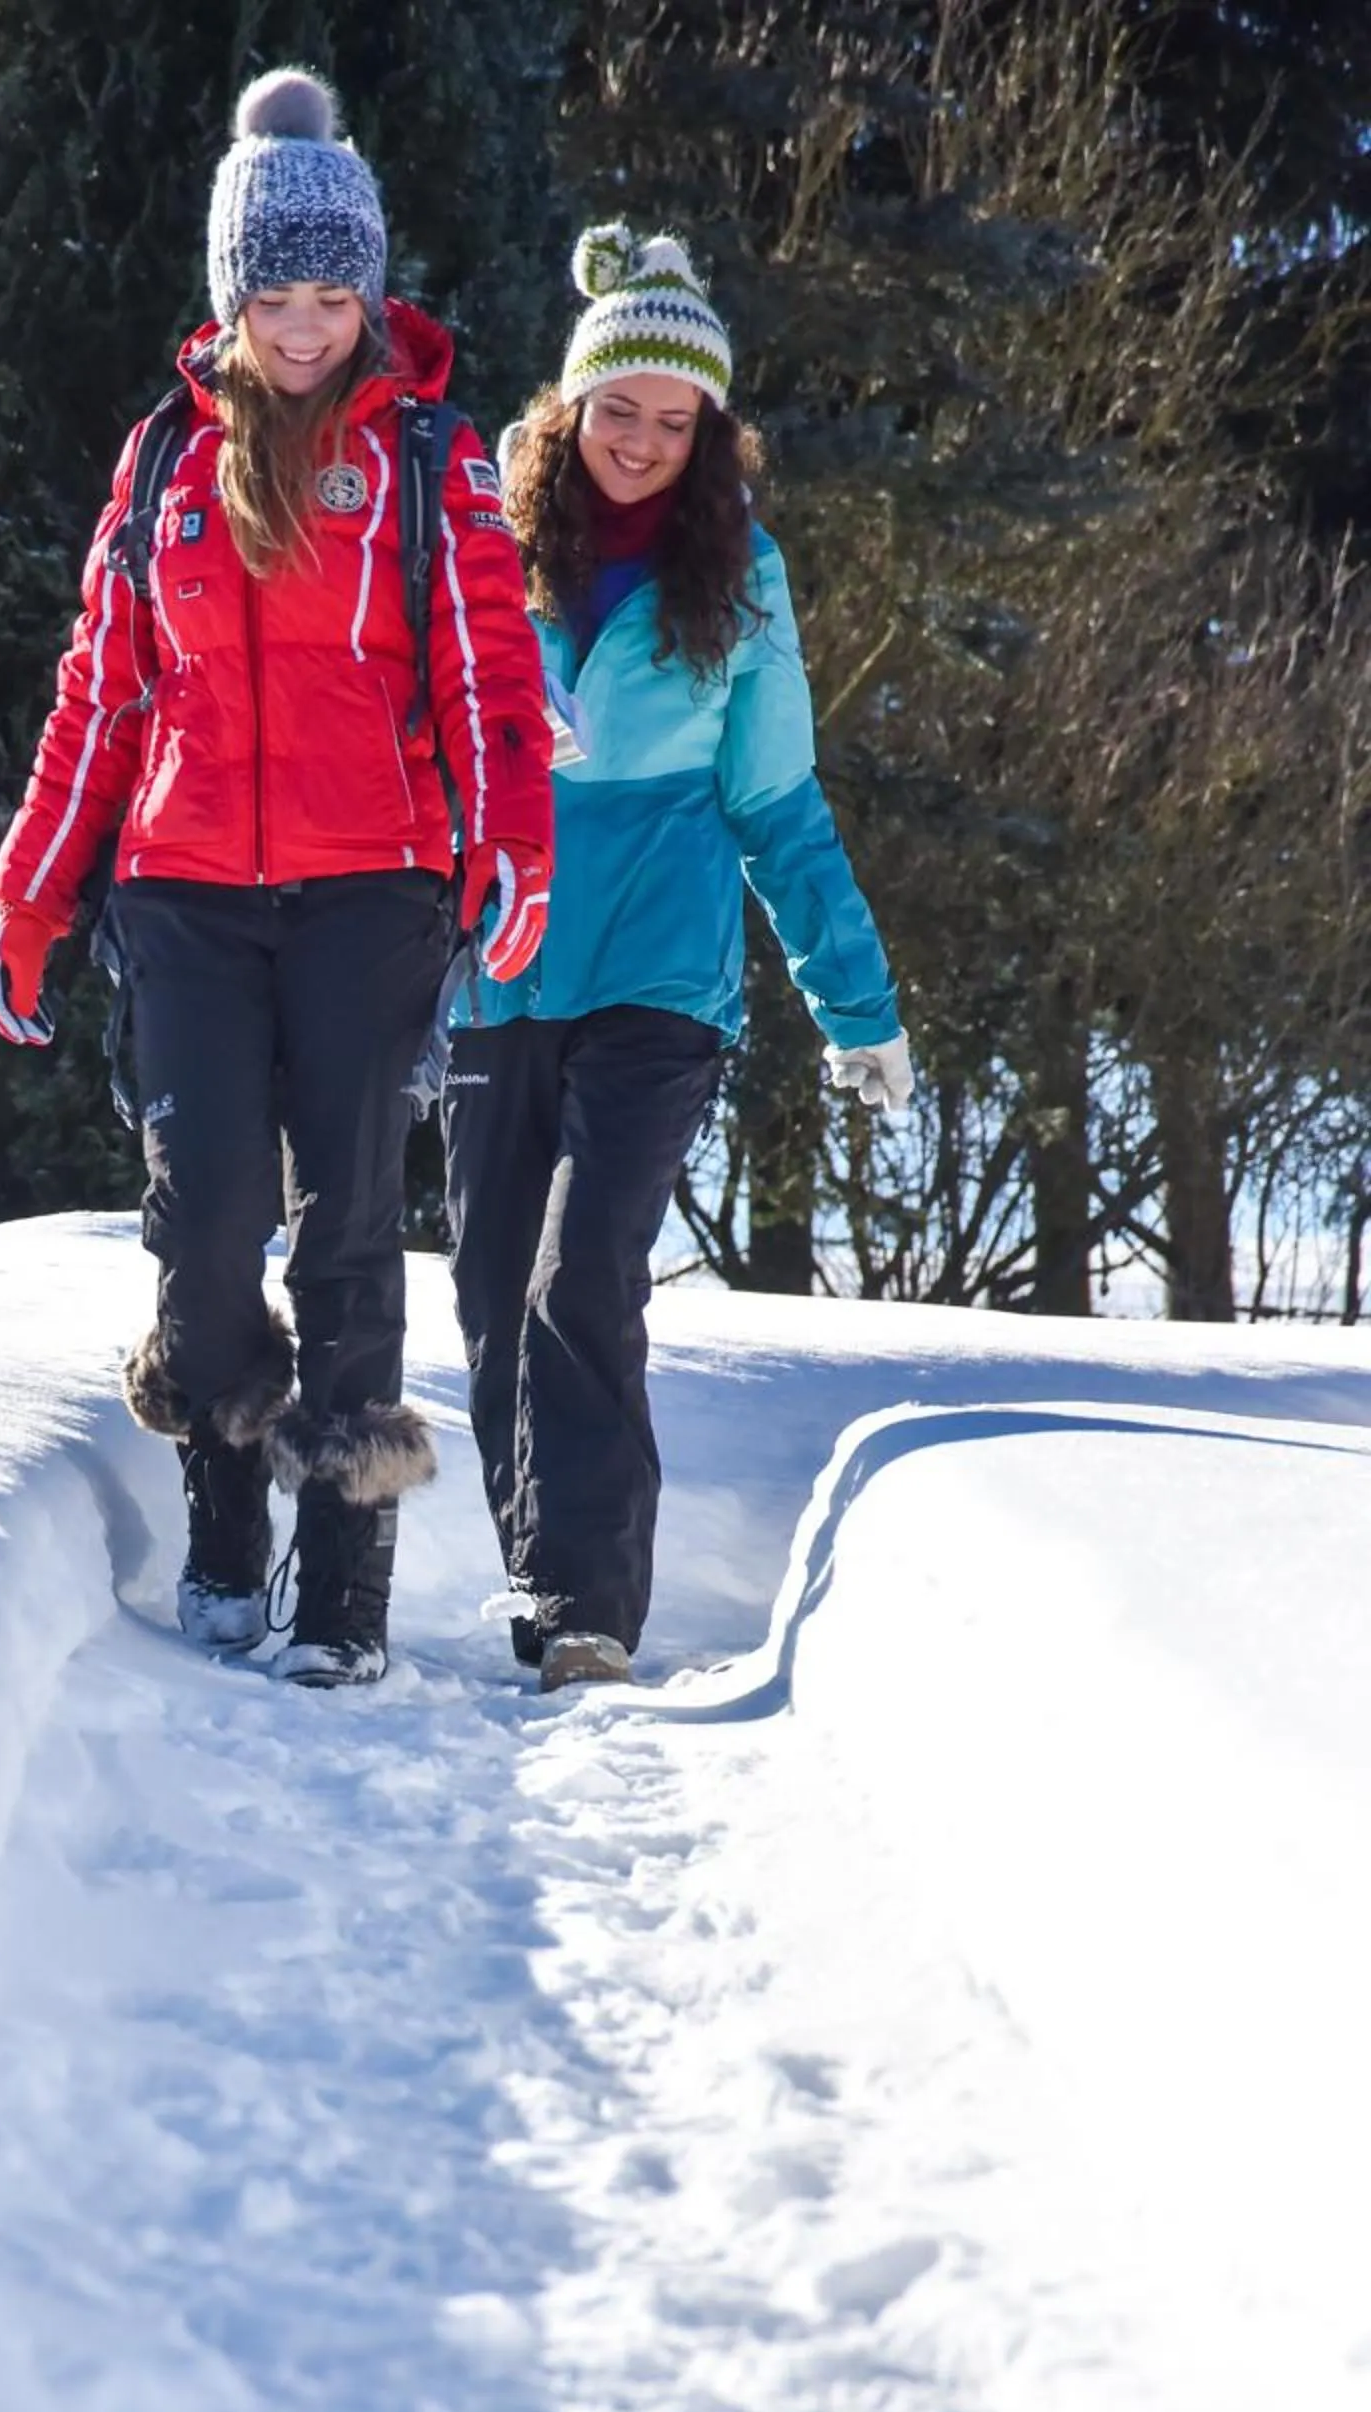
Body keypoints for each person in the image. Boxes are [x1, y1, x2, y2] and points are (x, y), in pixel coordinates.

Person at [0, 68, 551, 1688]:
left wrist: (509, 849)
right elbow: (98, 693)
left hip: (373, 887)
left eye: (332, 296)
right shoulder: (163, 459)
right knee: (206, 1225)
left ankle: (346, 1585)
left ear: (367, 294)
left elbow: (490, 678)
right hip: (183, 895)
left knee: (352, 1229)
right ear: (231, 295)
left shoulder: (431, 460)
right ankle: (226, 1511)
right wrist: (33, 896)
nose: (305, 329)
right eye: (276, 296)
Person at [441, 223, 913, 1694]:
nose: (642, 441)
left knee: (584, 1272)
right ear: (568, 410)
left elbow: (776, 802)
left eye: (675, 418)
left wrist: (859, 1006)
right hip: (500, 970)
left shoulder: (742, 579)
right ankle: (541, 1570)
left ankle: (590, 1609)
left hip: (661, 976)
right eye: (618, 409)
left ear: (709, 434)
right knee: (487, 1284)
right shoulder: (483, 552)